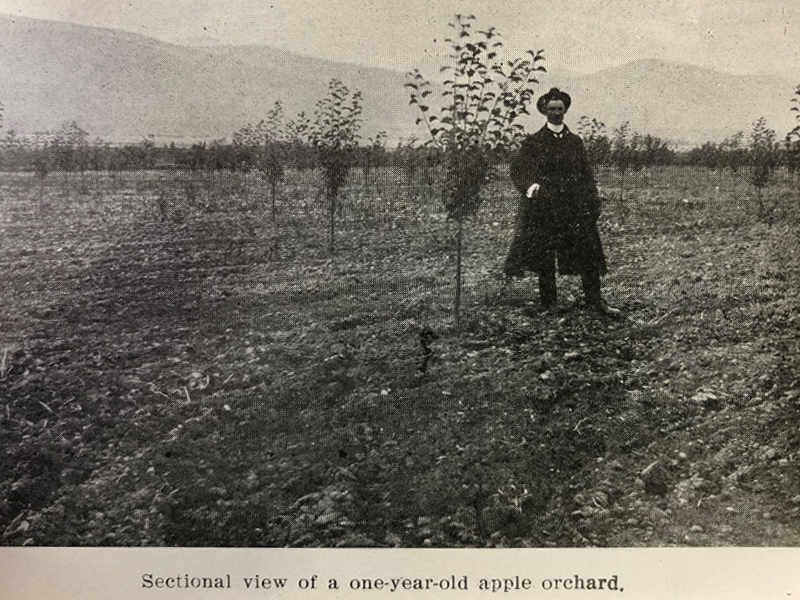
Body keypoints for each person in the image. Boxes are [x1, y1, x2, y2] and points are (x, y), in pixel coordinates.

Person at [503, 87, 619, 316]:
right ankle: (548, 304)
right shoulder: (534, 142)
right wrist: (531, 187)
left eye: (560, 108)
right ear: (544, 111)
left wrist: (592, 201)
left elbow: (586, 174)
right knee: (544, 257)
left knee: (588, 252)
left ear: (565, 110)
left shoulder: (574, 142)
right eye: (551, 109)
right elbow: (519, 169)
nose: (556, 113)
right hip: (545, 207)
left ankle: (594, 303)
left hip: (573, 207)